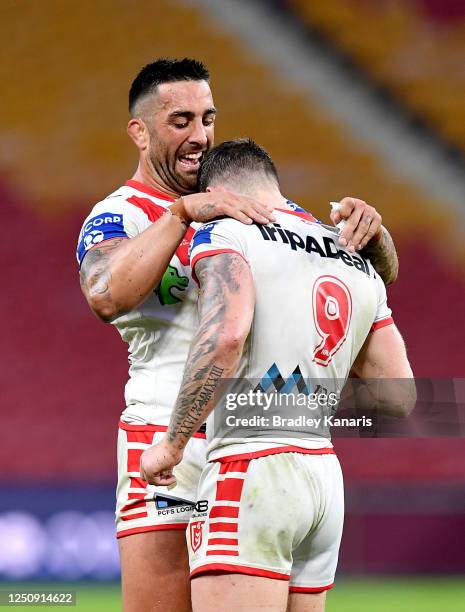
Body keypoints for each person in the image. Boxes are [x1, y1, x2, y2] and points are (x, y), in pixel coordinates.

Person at [77, 58, 399, 612]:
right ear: (139, 130)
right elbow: (106, 294)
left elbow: (364, 275)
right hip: (168, 446)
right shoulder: (119, 214)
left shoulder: (249, 205)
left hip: (254, 444)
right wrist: (180, 213)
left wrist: (378, 236)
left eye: (208, 118)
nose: (199, 136)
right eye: (180, 121)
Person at [140, 139, 415, 612]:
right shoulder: (352, 253)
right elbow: (397, 396)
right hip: (323, 479)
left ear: (217, 191)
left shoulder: (226, 233)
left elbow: (225, 336)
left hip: (251, 471)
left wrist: (173, 443)